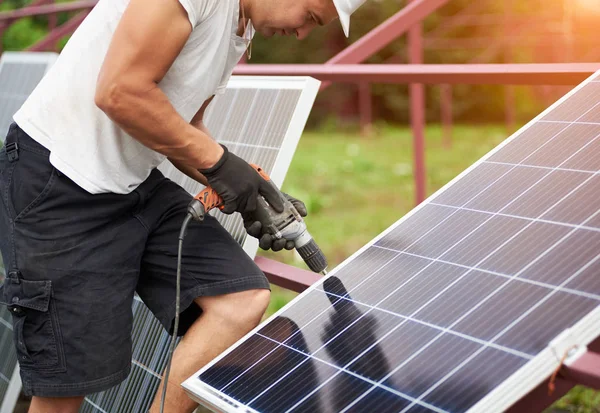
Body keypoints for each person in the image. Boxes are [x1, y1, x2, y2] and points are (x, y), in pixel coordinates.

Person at [0, 0, 366, 411]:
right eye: (311, 17)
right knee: (65, 389)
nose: (303, 33)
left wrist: (244, 187)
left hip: (133, 183)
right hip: (62, 179)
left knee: (240, 300)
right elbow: (120, 91)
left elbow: (181, 124)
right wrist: (220, 164)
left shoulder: (240, 26)